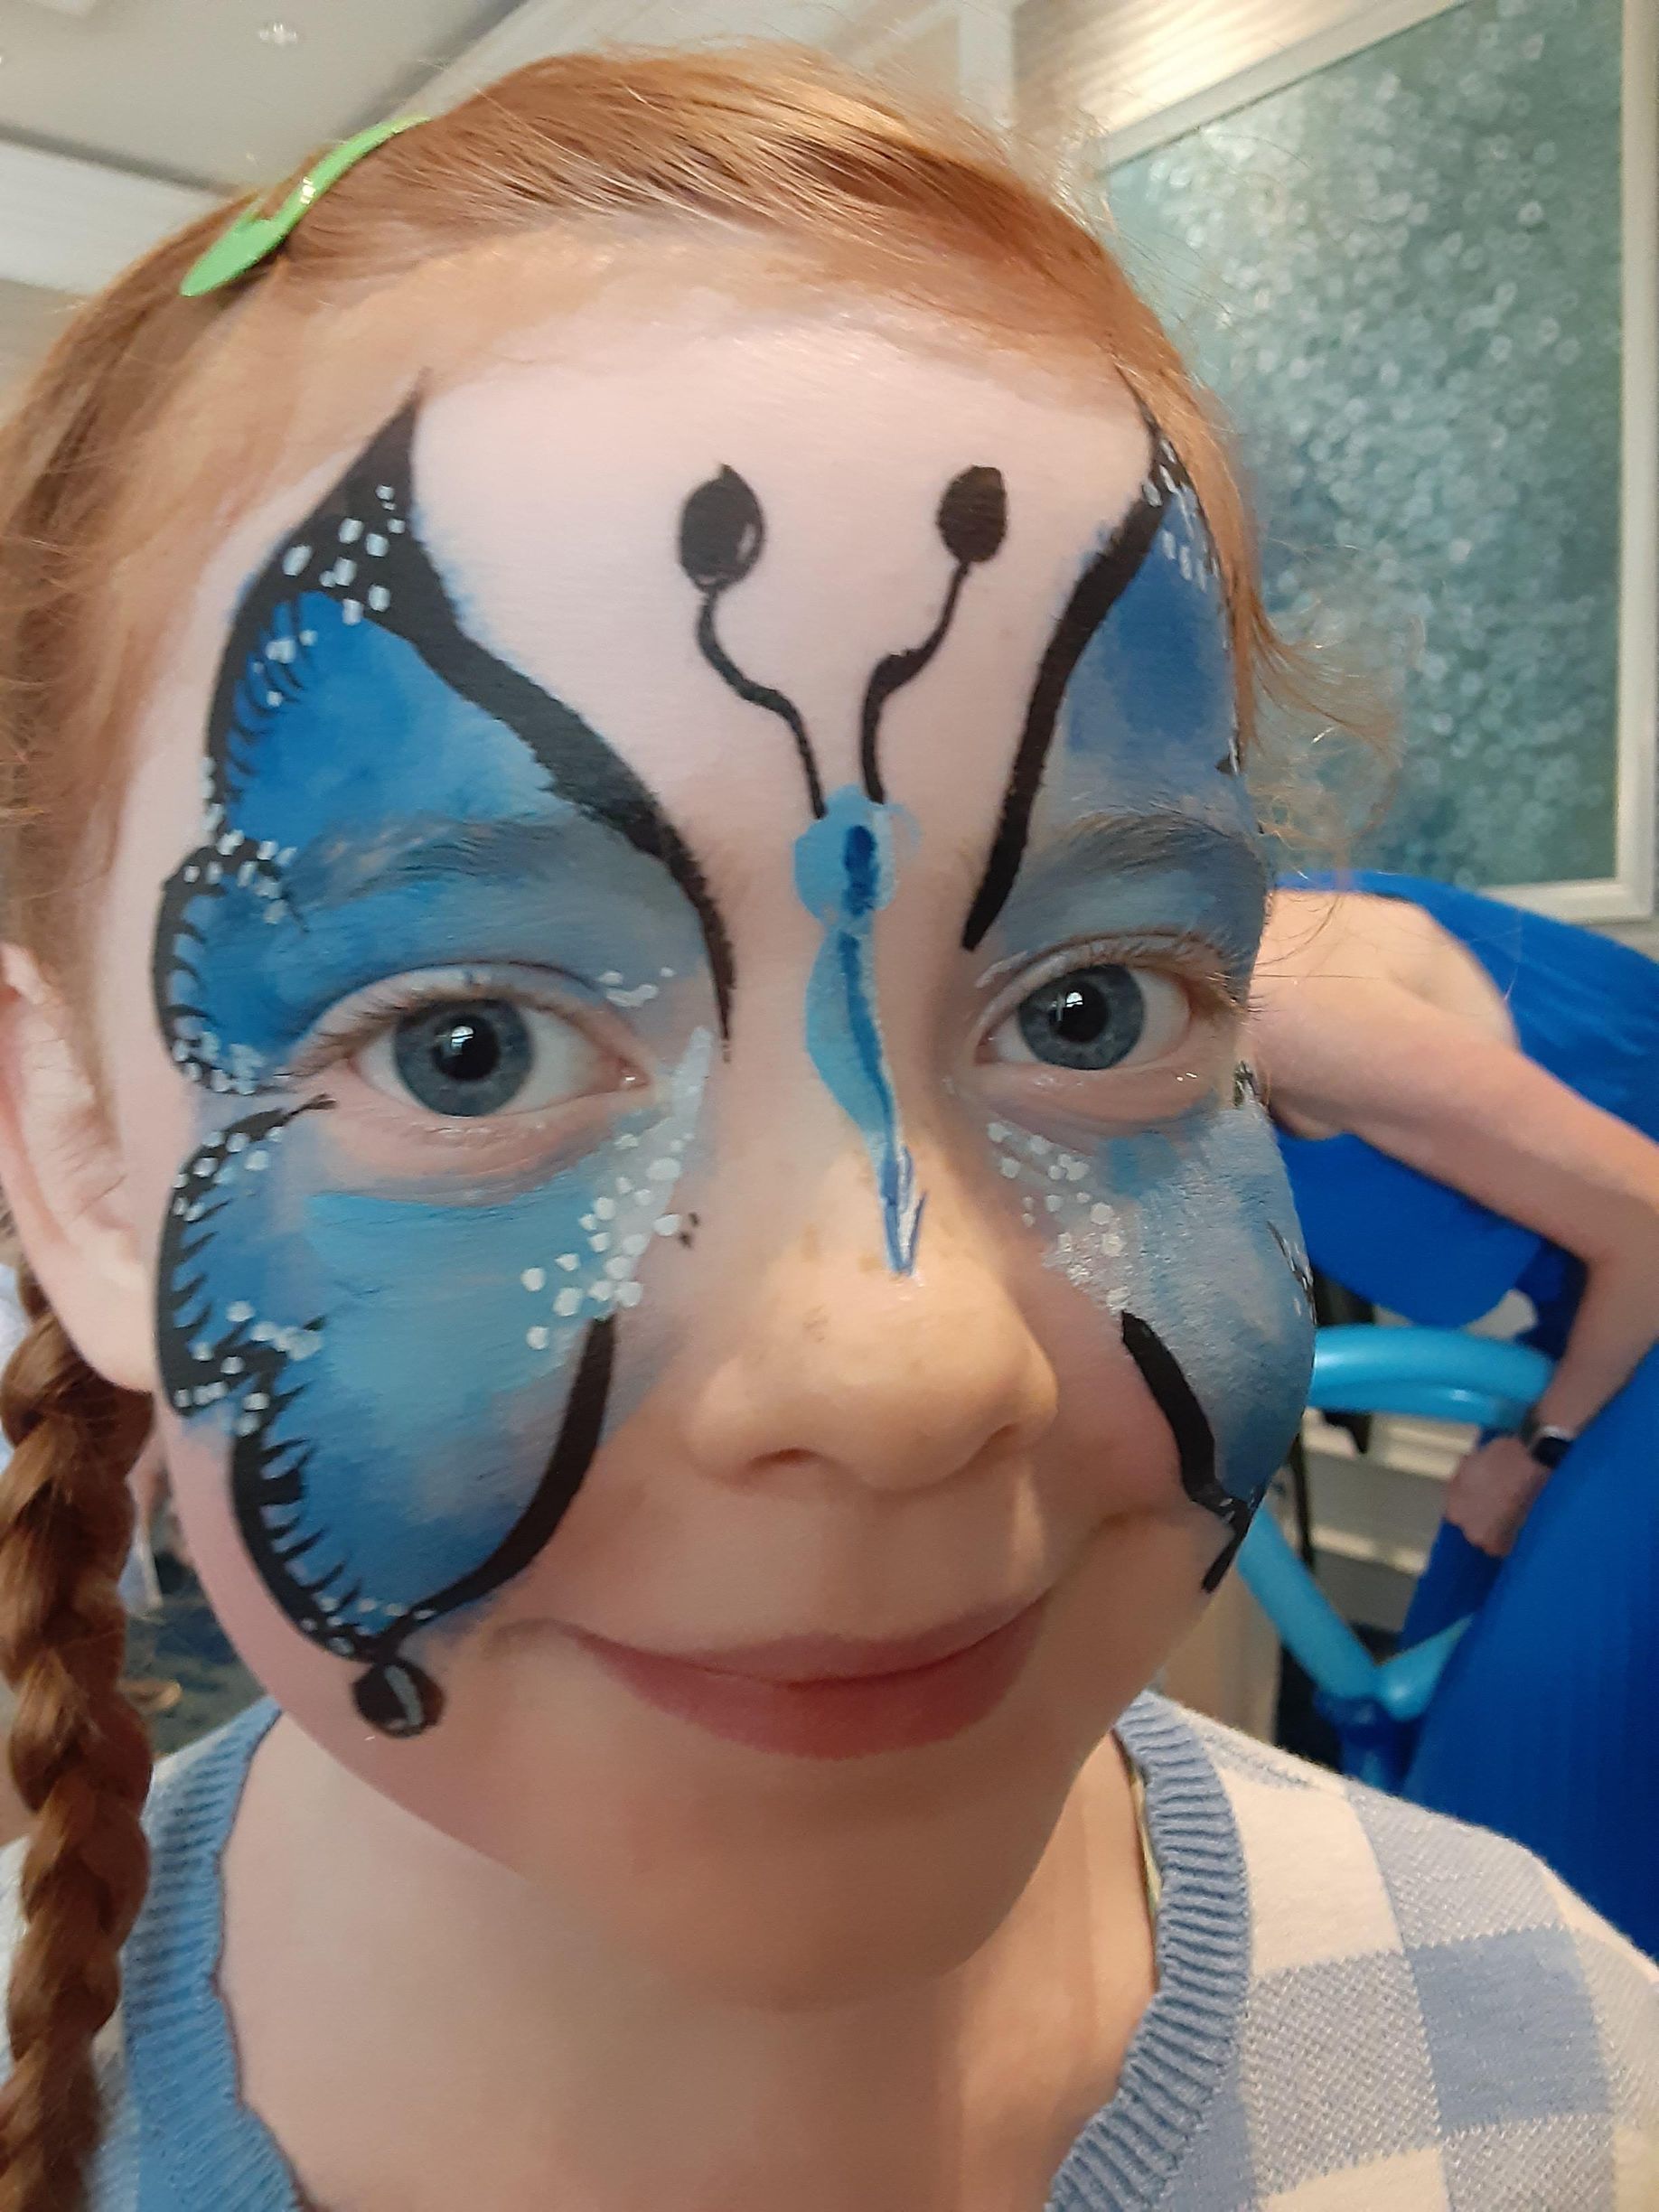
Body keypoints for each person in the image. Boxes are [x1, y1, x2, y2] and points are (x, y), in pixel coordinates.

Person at [0, 49, 1652, 2212]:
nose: (902, 1368)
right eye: (471, 1045)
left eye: (1092, 1007)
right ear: (83, 1159)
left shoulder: (1563, 2082)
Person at [1253, 872, 1659, 1954]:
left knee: (1523, 1784)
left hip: (1645, 1279)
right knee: (1438, 1695)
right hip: (1596, 1322)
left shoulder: (1282, 999)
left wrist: (1541, 1451)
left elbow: (1649, 1223)